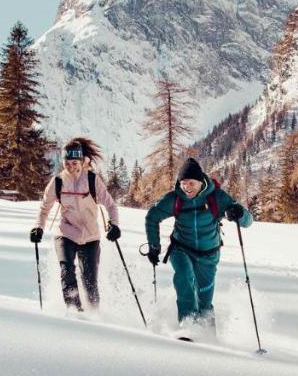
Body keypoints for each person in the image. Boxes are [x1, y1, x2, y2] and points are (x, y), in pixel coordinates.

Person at [144, 156, 252, 331]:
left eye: (191, 183)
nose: (186, 188)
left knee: (205, 297)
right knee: (184, 279)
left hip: (209, 254)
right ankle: (187, 325)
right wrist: (154, 246)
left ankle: (208, 335)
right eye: (183, 183)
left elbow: (248, 222)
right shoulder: (174, 199)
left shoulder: (217, 197)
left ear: (201, 182)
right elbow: (152, 217)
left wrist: (240, 213)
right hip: (181, 248)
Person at [30, 137, 121, 311]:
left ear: (82, 161)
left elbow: (110, 204)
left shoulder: (92, 180)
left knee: (89, 281)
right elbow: (44, 209)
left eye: (74, 162)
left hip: (90, 235)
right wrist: (38, 227)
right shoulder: (57, 182)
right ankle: (74, 311)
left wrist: (114, 224)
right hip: (66, 232)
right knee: (66, 269)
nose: (71, 167)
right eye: (67, 163)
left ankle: (94, 314)